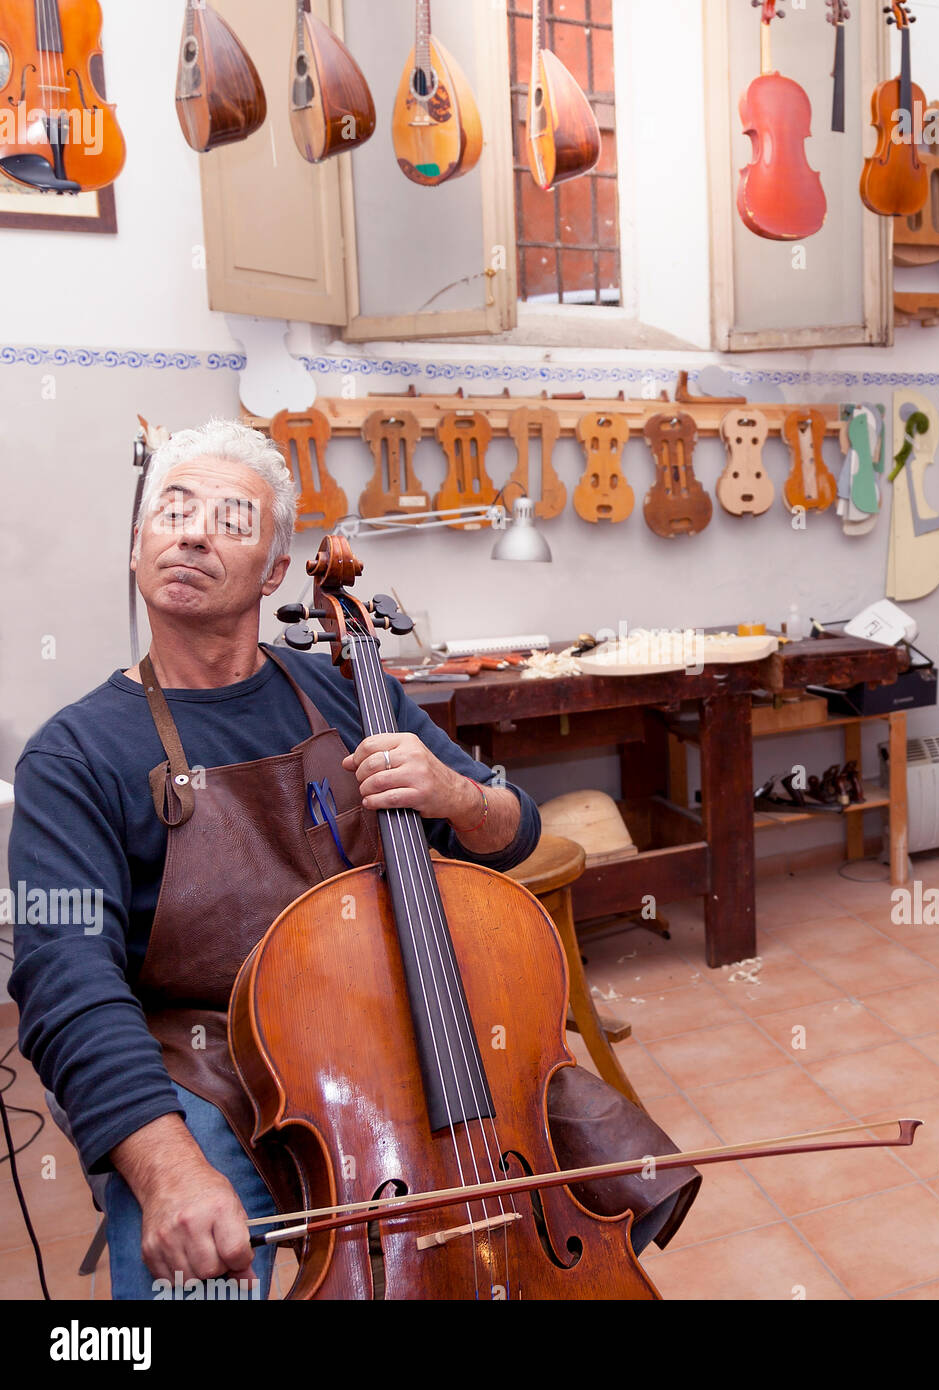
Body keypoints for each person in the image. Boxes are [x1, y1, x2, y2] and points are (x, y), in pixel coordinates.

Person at [8, 420, 696, 1299]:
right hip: (209, 1067)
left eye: (227, 517)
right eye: (169, 511)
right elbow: (67, 982)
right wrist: (166, 1166)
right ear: (135, 546)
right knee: (195, 1275)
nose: (188, 532)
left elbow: (515, 829)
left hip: (395, 1029)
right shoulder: (75, 753)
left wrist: (459, 797)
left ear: (275, 568)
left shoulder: (347, 691)